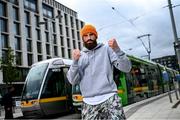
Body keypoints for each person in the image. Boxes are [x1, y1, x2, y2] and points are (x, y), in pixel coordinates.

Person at [67, 24, 132, 120]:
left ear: (96, 36)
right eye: (85, 36)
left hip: (110, 98)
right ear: (82, 38)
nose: (89, 38)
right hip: (88, 102)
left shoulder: (107, 49)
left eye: (91, 34)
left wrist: (117, 50)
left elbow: (127, 68)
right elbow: (72, 80)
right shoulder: (79, 56)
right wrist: (75, 62)